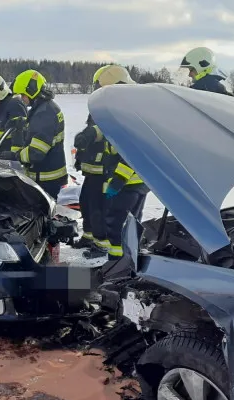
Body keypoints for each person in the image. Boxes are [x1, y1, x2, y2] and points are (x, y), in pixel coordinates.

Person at [96, 66, 150, 261]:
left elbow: (132, 151)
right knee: (131, 225)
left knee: (118, 226)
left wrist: (118, 179)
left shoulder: (128, 114)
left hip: (129, 182)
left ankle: (119, 265)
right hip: (138, 182)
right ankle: (128, 261)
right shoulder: (131, 108)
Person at [0, 69, 67, 199]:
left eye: (23, 95)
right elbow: (38, 127)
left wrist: (15, 155)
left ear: (31, 91)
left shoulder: (44, 113)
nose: (23, 100)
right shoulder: (45, 108)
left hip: (46, 179)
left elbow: (36, 152)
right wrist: (21, 122)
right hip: (49, 176)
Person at [72, 65, 115, 253]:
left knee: (98, 208)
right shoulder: (101, 106)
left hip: (103, 171)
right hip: (92, 170)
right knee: (86, 203)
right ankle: (88, 237)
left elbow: (104, 130)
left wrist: (90, 134)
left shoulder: (113, 106)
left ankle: (101, 245)